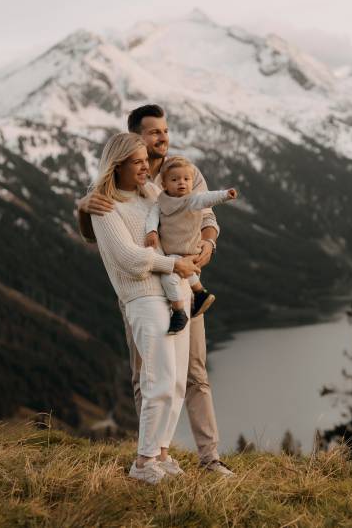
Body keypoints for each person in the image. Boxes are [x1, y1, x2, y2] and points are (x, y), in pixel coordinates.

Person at [78, 104, 234, 475]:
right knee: (150, 375)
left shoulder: (172, 177)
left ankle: (192, 456)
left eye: (165, 131)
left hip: (180, 286)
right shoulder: (118, 190)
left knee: (186, 374)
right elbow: (105, 239)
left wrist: (206, 246)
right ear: (134, 141)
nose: (161, 138)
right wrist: (83, 207)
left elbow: (204, 212)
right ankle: (147, 455)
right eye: (153, 133)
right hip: (147, 290)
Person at [88, 132, 199, 484]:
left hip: (177, 292)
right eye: (137, 162)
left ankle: (162, 453)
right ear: (117, 166)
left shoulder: (151, 193)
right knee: (158, 381)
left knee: (178, 381)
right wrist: (173, 265)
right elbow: (128, 259)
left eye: (145, 160)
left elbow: (183, 211)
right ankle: (143, 462)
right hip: (144, 297)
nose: (145, 167)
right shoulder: (105, 206)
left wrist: (203, 242)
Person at [144, 155, 238, 334]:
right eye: (175, 179)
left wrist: (225, 195)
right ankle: (200, 292)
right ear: (164, 185)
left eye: (186, 179)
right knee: (187, 271)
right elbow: (152, 216)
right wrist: (152, 231)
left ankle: (178, 311)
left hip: (186, 249)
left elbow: (208, 198)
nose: (182, 183)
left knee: (168, 278)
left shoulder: (193, 200)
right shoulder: (162, 201)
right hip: (172, 249)